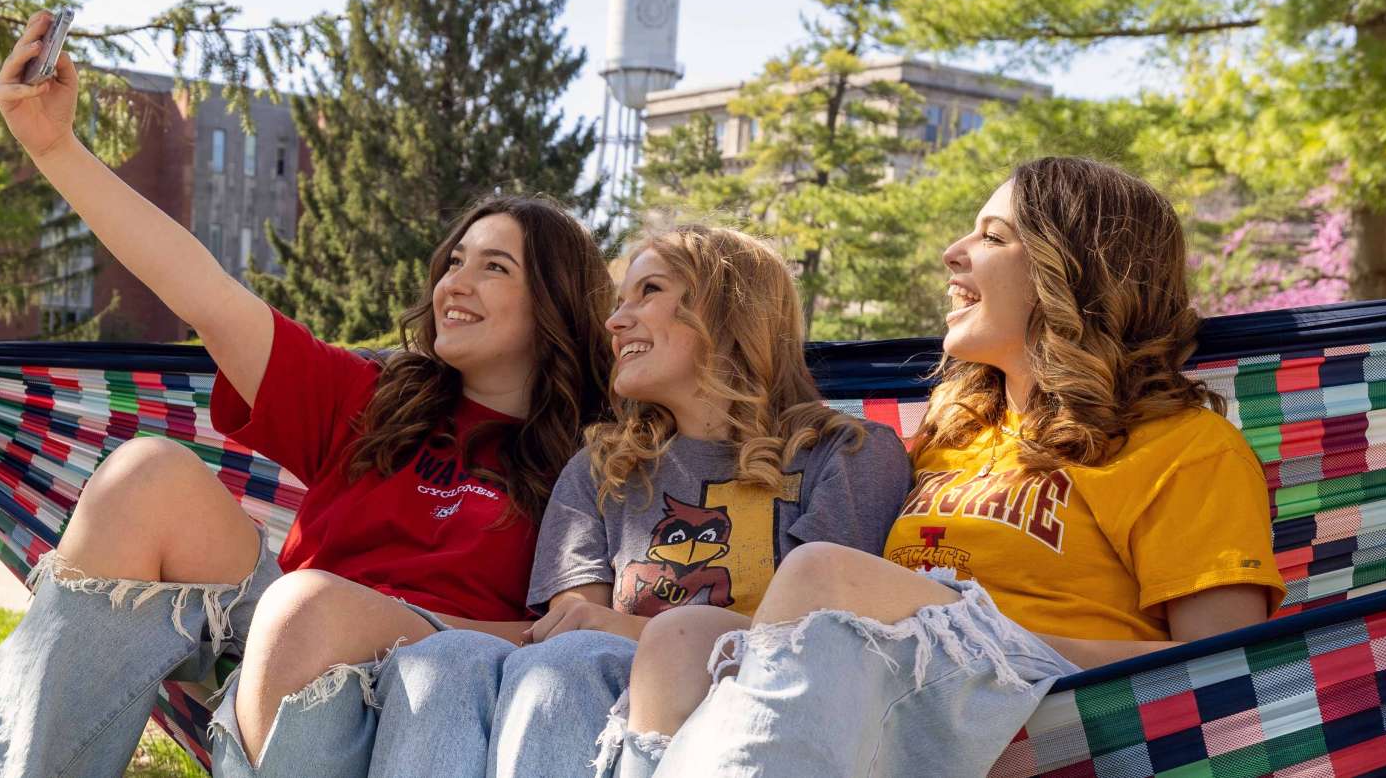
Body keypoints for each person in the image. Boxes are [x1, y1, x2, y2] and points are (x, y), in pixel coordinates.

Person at [0, 11, 616, 778]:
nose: (455, 281)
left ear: (554, 302)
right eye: (455, 260)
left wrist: (371, 620)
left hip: (444, 689)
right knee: (146, 477)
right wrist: (53, 146)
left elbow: (573, 634)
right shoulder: (378, 399)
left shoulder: (595, 460)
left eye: (495, 267)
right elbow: (206, 294)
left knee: (312, 605)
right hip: (284, 640)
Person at [607, 157, 1286, 778]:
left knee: (823, 572)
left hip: (1052, 715)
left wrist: (985, 640)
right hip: (889, 692)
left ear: (1073, 268)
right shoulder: (951, 432)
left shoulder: (1187, 448)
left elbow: (1221, 674)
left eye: (991, 238)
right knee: (680, 638)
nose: (952, 254)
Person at [211, 225, 908, 778]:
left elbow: (813, 642)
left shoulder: (846, 454)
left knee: (560, 666)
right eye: (616, 301)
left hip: (758, 724)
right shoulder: (600, 472)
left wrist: (616, 631)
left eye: (648, 292)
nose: (616, 321)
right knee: (478, 666)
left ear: (728, 313)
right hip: (600, 720)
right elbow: (570, 633)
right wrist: (601, 631)